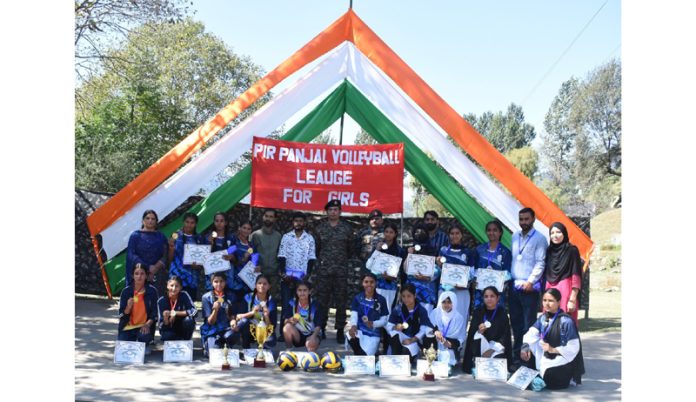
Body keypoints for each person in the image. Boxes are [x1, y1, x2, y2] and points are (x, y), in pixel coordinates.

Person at [521, 288, 585, 389]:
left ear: (559, 302)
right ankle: (538, 376)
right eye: (544, 300)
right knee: (524, 357)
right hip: (545, 357)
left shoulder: (566, 321)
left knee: (552, 378)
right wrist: (525, 348)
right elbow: (530, 334)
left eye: (550, 301)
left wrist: (553, 349)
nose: (547, 304)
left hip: (562, 359)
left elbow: (574, 346)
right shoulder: (542, 318)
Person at [509, 207, 548, 368]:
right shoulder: (514, 236)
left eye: (526, 219)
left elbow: (540, 262)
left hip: (529, 289)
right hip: (514, 286)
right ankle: (517, 358)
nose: (523, 222)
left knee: (528, 326)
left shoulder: (540, 239)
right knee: (516, 325)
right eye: (521, 219)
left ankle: (528, 361)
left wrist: (531, 281)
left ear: (533, 219)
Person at [313, 199, 355, 344]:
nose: (333, 212)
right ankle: (321, 329)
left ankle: (339, 330)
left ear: (340, 211)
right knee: (322, 301)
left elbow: (350, 250)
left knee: (341, 302)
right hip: (324, 271)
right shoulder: (320, 229)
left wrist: (340, 261)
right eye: (330, 209)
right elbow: (316, 249)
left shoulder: (347, 229)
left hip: (341, 271)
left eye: (336, 209)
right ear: (327, 212)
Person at [277, 212, 316, 335]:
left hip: (302, 278)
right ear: (292, 223)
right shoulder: (286, 237)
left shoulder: (309, 238)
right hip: (287, 277)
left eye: (301, 221)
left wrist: (307, 275)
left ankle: (302, 330)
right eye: (296, 221)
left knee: (302, 303)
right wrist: (283, 274)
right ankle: (284, 332)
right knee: (286, 304)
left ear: (304, 223)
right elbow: (282, 255)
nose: (298, 223)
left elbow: (311, 257)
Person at [462, 286, 514, 374]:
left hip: (496, 348)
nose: (489, 299)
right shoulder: (478, 312)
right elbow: (472, 335)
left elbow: (505, 336)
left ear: (498, 298)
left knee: (497, 362)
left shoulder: (502, 313)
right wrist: (479, 332)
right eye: (486, 296)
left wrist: (491, 350)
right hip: (480, 347)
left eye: (492, 296)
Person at [436, 224, 477, 326]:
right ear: (449, 235)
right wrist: (439, 265)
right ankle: (441, 341)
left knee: (461, 319)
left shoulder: (468, 252)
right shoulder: (443, 250)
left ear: (461, 235)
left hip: (461, 291)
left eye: (457, 233)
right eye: (452, 233)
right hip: (445, 290)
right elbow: (439, 271)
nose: (454, 236)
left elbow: (472, 273)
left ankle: (460, 342)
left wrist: (465, 283)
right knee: (443, 319)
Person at [545, 222, 583, 324]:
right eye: (552, 233)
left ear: (564, 234)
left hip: (566, 290)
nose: (555, 235)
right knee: (549, 324)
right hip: (549, 289)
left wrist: (573, 299)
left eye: (558, 232)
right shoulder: (549, 251)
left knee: (566, 324)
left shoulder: (572, 250)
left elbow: (576, 275)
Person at [386, 284, 433, 363]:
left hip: (414, 340)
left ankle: (409, 357)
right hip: (400, 337)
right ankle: (395, 359)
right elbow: (388, 325)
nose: (406, 299)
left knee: (406, 359)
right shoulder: (398, 309)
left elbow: (423, 329)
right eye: (403, 296)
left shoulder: (421, 310)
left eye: (409, 296)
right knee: (394, 334)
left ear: (414, 295)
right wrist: (395, 327)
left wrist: (412, 340)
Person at [346, 272, 390, 356]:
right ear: (362, 283)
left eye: (372, 282)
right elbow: (354, 314)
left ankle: (360, 356)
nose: (369, 284)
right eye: (366, 282)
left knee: (367, 354)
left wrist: (374, 324)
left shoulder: (381, 299)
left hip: (374, 334)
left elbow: (384, 320)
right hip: (360, 332)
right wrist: (354, 326)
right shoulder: (357, 298)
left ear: (376, 283)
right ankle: (359, 355)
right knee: (349, 334)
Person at [126, 209, 168, 295]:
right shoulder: (135, 236)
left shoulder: (161, 236)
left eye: (153, 219)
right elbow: (131, 254)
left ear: (156, 221)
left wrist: (155, 268)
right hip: (139, 273)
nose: (150, 221)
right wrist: (147, 268)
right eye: (147, 218)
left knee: (155, 300)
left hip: (157, 273)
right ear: (143, 220)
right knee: (138, 302)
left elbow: (165, 254)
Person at [473, 220, 513, 310]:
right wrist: (474, 280)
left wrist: (502, 285)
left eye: (495, 230)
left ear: (500, 232)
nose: (491, 233)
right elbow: (474, 269)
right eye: (489, 230)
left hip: (497, 293)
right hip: (481, 293)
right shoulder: (479, 250)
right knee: (479, 318)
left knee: (496, 320)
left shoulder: (505, 252)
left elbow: (508, 273)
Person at [232, 274, 278, 349]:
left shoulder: (271, 301)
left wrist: (266, 315)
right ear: (255, 285)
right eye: (259, 283)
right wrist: (252, 313)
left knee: (271, 341)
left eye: (265, 284)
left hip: (264, 330)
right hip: (250, 330)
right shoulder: (248, 297)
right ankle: (246, 348)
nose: (262, 286)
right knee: (244, 321)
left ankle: (262, 348)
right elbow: (238, 316)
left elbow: (271, 327)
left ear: (269, 286)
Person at [118, 264, 158, 347]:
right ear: (132, 276)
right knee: (122, 345)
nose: (139, 276)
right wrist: (128, 308)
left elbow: (155, 314)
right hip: (128, 327)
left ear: (146, 276)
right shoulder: (126, 292)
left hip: (144, 326)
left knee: (144, 339)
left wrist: (147, 324)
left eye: (142, 274)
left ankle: (148, 342)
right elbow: (121, 315)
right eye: (136, 273)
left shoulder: (152, 291)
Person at [200, 272, 238, 357]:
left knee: (234, 334)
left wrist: (233, 321)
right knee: (213, 354)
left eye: (221, 281)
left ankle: (227, 344)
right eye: (216, 281)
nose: (219, 284)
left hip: (226, 328)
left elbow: (233, 314)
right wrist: (215, 310)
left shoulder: (231, 295)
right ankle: (209, 345)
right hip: (212, 330)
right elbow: (210, 322)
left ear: (225, 282)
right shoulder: (206, 297)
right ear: (212, 283)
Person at [168, 212, 205, 300]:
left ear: (195, 224)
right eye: (187, 222)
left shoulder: (199, 238)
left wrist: (198, 265)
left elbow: (203, 260)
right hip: (176, 277)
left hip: (191, 279)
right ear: (183, 222)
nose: (189, 225)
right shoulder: (175, 236)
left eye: (192, 223)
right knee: (174, 307)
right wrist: (171, 248)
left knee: (189, 306)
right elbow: (169, 259)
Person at [424, 291, 466, 367]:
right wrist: (435, 332)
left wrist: (451, 344)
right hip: (435, 344)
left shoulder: (459, 318)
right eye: (444, 302)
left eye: (449, 302)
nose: (446, 305)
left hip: (449, 346)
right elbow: (428, 329)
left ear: (454, 302)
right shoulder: (435, 313)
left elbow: (461, 337)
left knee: (447, 367)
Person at [250, 208, 282, 307]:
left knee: (272, 301)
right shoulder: (255, 235)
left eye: (271, 217)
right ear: (263, 217)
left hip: (273, 274)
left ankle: (270, 321)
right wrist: (255, 265)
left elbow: (280, 254)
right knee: (257, 300)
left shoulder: (278, 236)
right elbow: (251, 252)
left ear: (275, 219)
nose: (268, 219)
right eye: (266, 216)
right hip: (259, 273)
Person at [405, 224, 440, 313]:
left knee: (426, 321)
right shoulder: (410, 250)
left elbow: (438, 270)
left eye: (422, 231)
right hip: (411, 292)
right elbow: (405, 270)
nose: (419, 233)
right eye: (416, 231)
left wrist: (428, 277)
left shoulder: (433, 250)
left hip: (427, 292)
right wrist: (409, 255)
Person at [281, 281, 324, 352]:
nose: (302, 293)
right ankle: (289, 350)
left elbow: (318, 325)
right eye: (299, 290)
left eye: (305, 290)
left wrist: (313, 337)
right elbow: (285, 321)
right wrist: (290, 320)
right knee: (287, 327)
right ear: (296, 292)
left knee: (310, 344)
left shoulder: (315, 305)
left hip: (312, 334)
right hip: (298, 335)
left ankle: (311, 355)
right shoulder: (291, 303)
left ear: (310, 291)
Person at [227, 220, 260, 305]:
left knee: (244, 306)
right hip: (233, 280)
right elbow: (229, 255)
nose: (246, 230)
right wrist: (243, 258)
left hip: (247, 282)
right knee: (233, 305)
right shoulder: (233, 241)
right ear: (239, 228)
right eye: (244, 228)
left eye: (248, 229)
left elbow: (254, 262)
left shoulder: (251, 246)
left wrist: (256, 267)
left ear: (251, 231)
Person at [203, 212, 237, 291]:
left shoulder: (231, 237)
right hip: (212, 273)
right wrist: (210, 243)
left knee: (227, 298)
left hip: (227, 274)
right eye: (217, 221)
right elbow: (204, 256)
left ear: (225, 223)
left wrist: (231, 257)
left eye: (221, 221)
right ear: (214, 222)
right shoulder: (207, 237)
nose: (219, 223)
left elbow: (236, 258)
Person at [157, 276, 197, 341]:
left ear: (181, 287)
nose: (174, 288)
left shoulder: (184, 295)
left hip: (182, 326)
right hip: (169, 328)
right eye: (171, 285)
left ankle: (186, 340)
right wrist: (166, 318)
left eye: (177, 286)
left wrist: (175, 313)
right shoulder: (161, 301)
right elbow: (162, 325)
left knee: (188, 320)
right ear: (167, 286)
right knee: (167, 336)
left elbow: (194, 311)